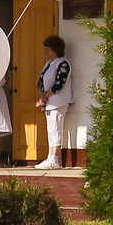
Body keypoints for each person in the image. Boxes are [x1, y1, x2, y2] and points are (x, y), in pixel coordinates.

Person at [36, 35, 76, 168]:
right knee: (50, 129)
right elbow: (41, 81)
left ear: (55, 50)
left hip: (58, 101)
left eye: (48, 49)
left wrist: (46, 95)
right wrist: (41, 95)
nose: (46, 52)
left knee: (56, 128)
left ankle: (54, 158)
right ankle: (49, 157)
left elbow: (59, 83)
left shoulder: (63, 63)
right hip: (48, 102)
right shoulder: (48, 64)